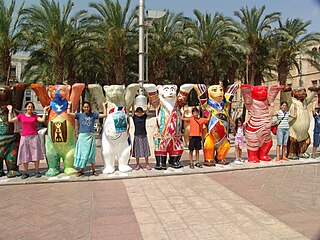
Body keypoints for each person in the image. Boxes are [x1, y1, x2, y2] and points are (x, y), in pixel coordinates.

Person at [7, 102, 49, 179]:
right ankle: (25, 172)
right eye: (29, 107)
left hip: (34, 137)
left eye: (32, 107)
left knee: (35, 154)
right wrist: (10, 111)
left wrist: (44, 111)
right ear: (26, 108)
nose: (30, 108)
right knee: (24, 155)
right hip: (24, 137)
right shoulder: (21, 116)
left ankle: (37, 171)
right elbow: (10, 120)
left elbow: (42, 120)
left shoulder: (35, 116)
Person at [67, 101, 107, 176]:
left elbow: (104, 115)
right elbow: (68, 113)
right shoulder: (80, 115)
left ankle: (94, 170)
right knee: (82, 154)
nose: (86, 108)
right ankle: (81, 170)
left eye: (87, 107)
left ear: (89, 108)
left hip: (90, 137)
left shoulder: (93, 115)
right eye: (85, 107)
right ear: (83, 108)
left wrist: (104, 106)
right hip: (82, 137)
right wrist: (69, 105)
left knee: (91, 154)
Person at [131, 103, 151, 170]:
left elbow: (148, 109)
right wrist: (132, 104)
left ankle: (147, 164)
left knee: (146, 151)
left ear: (142, 112)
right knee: (137, 151)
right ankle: (137, 164)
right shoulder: (134, 117)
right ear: (136, 112)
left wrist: (150, 102)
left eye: (141, 112)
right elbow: (133, 110)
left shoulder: (144, 117)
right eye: (138, 112)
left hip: (144, 135)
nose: (139, 113)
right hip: (137, 135)